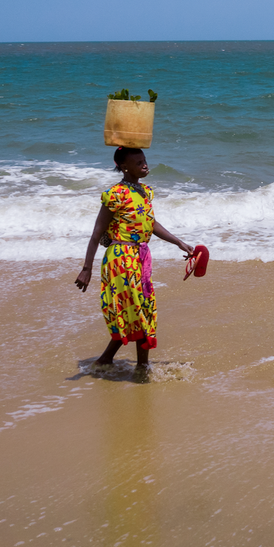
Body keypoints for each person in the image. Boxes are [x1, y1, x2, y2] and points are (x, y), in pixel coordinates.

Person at [74, 147, 195, 377]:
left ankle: (107, 360)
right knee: (140, 310)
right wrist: (86, 269)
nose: (145, 165)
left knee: (138, 310)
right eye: (138, 163)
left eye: (145, 160)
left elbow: (151, 223)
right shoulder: (115, 194)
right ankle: (141, 368)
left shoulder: (145, 191)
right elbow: (96, 233)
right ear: (124, 167)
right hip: (120, 260)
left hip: (140, 258)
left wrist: (178, 242)